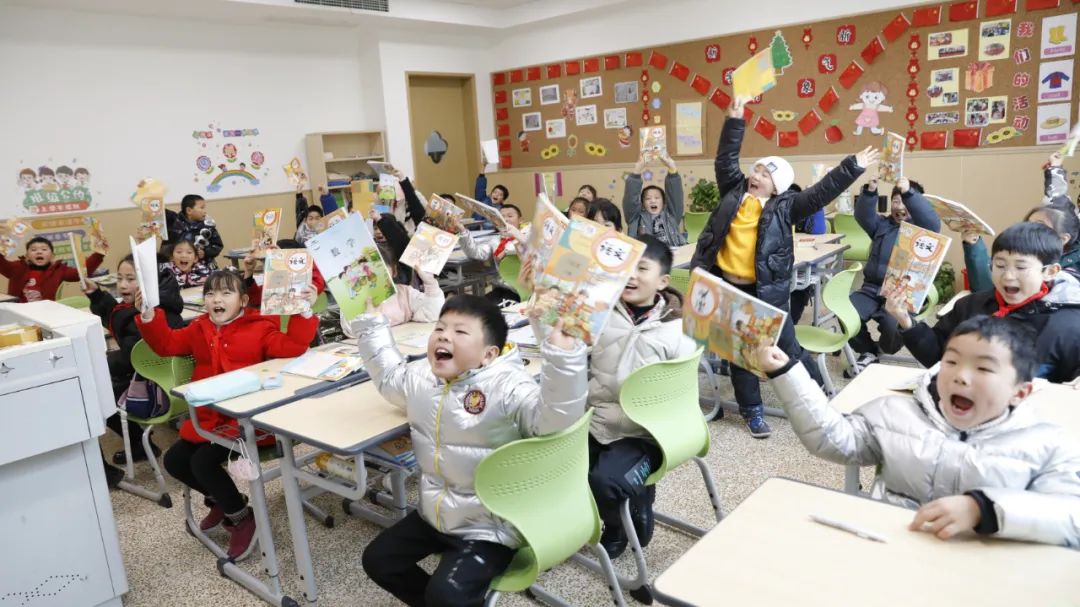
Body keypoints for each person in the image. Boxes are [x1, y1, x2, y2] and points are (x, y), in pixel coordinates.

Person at [757, 315, 1080, 548]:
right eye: (951, 362)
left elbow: (1071, 517)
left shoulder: (1046, 443)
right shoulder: (894, 413)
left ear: (1020, 392)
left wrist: (984, 509)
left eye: (983, 368)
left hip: (980, 574)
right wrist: (786, 373)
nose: (961, 376)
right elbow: (832, 439)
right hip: (891, 549)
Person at [354, 295, 586, 606]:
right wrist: (372, 325)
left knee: (446, 594)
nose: (444, 336)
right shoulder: (421, 376)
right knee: (379, 560)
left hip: (491, 525)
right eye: (440, 328)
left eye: (460, 331)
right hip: (436, 514)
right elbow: (390, 378)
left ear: (489, 354)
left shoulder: (508, 387)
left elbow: (554, 423)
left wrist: (564, 357)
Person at [690, 95, 877, 438]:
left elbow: (820, 193)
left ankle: (821, 396)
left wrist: (853, 166)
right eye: (757, 169)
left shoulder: (785, 206)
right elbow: (725, 158)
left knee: (789, 347)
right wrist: (735, 120)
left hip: (767, 292)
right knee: (742, 354)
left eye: (765, 173)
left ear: (777, 186)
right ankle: (752, 411)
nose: (756, 175)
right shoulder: (733, 192)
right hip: (728, 286)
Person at [136, 270, 319, 560]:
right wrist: (149, 316)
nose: (216, 299)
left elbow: (294, 347)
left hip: (250, 422)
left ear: (243, 300)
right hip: (210, 421)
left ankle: (242, 519)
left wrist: (304, 310)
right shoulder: (199, 327)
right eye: (210, 294)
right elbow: (166, 345)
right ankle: (225, 501)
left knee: (202, 462)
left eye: (225, 293)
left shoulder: (260, 326)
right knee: (174, 460)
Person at [584, 235, 697, 558]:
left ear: (662, 281)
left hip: (645, 433)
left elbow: (681, 392)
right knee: (561, 470)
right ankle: (615, 508)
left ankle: (623, 520)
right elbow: (564, 345)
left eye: (641, 268)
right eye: (626, 267)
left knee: (606, 480)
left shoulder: (679, 329)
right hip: (599, 420)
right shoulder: (600, 312)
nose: (631, 275)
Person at [886, 222, 1080, 384]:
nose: (1008, 276)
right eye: (1000, 265)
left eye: (1021, 267)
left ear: (1050, 272)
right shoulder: (969, 306)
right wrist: (906, 321)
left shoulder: (1069, 326)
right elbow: (939, 358)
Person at [84, 254, 185, 485]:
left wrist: (101, 364)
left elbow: (130, 355)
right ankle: (139, 443)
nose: (122, 285)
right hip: (165, 383)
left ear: (148, 282)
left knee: (95, 395)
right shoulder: (152, 306)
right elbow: (118, 317)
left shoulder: (150, 315)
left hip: (156, 394)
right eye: (119, 278)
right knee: (102, 385)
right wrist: (97, 295)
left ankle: (137, 445)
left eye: (130, 279)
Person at [846, 177, 940, 376]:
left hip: (901, 293)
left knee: (892, 324)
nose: (900, 206)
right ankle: (867, 351)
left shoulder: (923, 231)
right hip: (871, 289)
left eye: (905, 201)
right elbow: (862, 215)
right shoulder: (881, 224)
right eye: (896, 201)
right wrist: (870, 190)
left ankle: (884, 348)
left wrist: (909, 194)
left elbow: (933, 222)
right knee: (847, 311)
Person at [0, 236, 104, 302]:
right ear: (27, 256)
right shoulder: (16, 267)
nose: (39, 252)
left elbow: (80, 273)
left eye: (44, 249)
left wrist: (99, 254)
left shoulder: (59, 270)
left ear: (52, 256)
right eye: (33, 250)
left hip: (47, 312)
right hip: (19, 312)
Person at [623, 153, 686, 246]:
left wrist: (672, 168)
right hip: (648, 254)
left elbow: (675, 195)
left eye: (657, 197)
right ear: (642, 204)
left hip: (672, 252)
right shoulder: (635, 218)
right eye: (648, 198)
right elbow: (630, 199)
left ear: (664, 202)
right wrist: (637, 170)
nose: (653, 201)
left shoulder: (671, 215)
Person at [788, 183, 825, 325]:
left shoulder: (805, 215)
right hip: (780, 271)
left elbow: (818, 230)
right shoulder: (775, 215)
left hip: (802, 270)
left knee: (796, 299)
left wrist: (815, 200)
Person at [168, 194, 224, 266]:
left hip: (204, 266)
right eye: (202, 208)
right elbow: (169, 246)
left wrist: (205, 252)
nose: (205, 211)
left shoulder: (208, 226)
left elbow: (218, 245)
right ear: (189, 210)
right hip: (181, 265)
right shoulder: (176, 225)